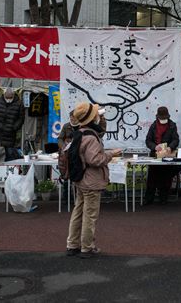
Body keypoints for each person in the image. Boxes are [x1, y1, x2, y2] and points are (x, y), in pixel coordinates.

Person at [66, 102, 122, 259]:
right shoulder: (91, 137)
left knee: (78, 212)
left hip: (81, 179)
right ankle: (87, 247)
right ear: (92, 118)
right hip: (91, 181)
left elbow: (100, 130)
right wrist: (111, 154)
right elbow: (95, 160)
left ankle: (73, 244)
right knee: (90, 215)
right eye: (96, 114)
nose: (98, 116)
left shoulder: (80, 132)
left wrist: (101, 119)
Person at [144, 106, 181, 205]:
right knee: (152, 177)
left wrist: (170, 147)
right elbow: (148, 140)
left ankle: (164, 198)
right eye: (162, 118)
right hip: (155, 155)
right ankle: (149, 198)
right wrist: (154, 147)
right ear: (158, 117)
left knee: (166, 177)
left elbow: (176, 140)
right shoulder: (153, 126)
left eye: (165, 118)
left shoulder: (172, 125)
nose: (163, 120)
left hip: (167, 156)